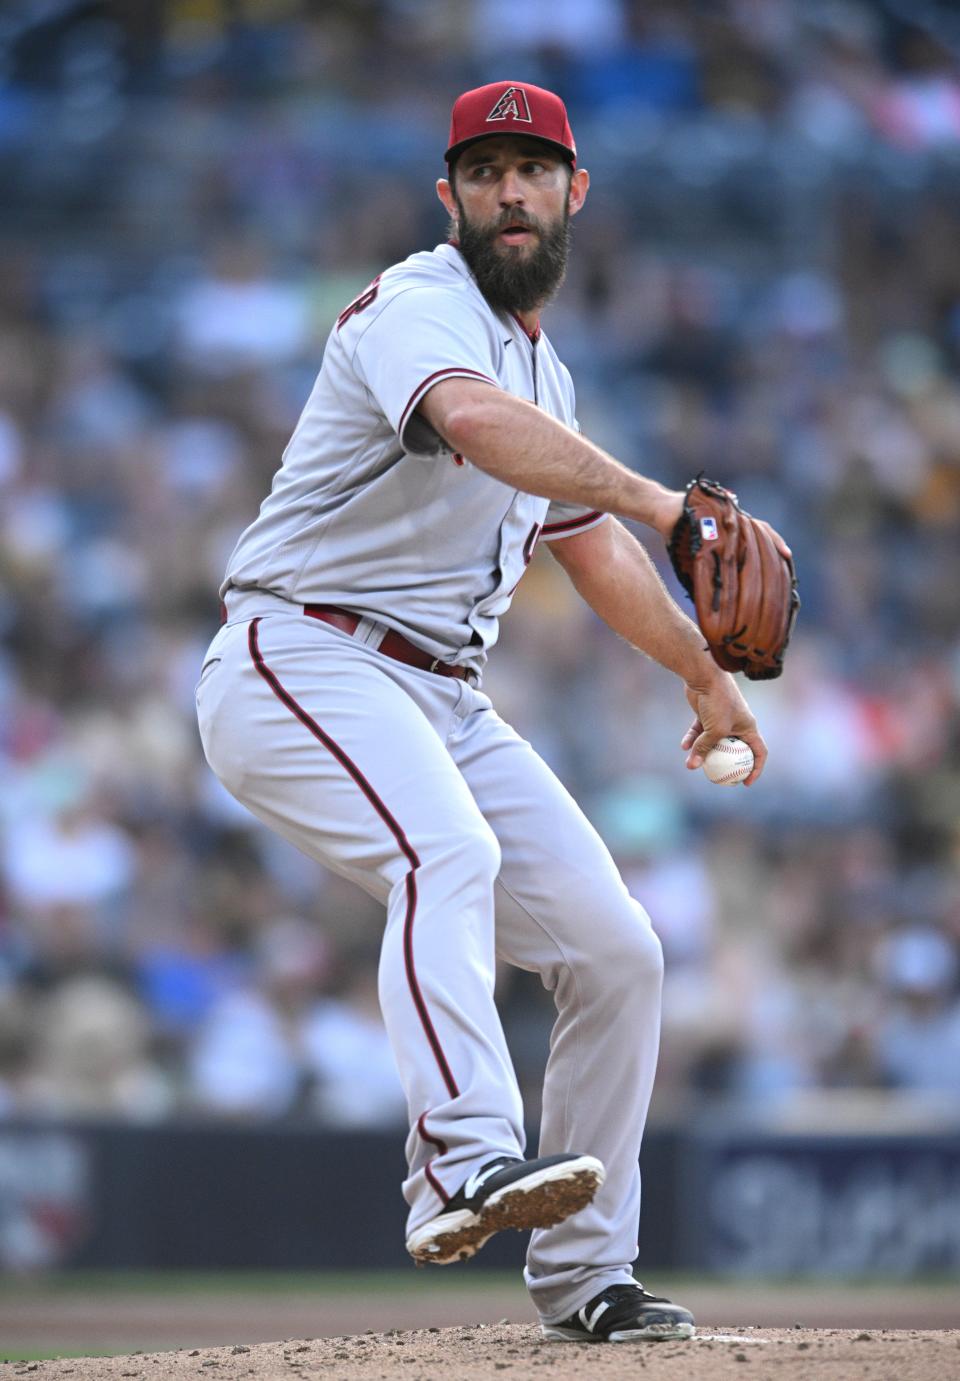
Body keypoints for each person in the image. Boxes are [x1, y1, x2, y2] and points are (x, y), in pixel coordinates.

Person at [196, 80, 772, 1344]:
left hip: (439, 693)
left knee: (618, 951)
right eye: (484, 168)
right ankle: (463, 1158)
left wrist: (698, 668)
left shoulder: (544, 373)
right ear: (447, 195)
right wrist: (668, 502)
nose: (509, 189)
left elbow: (588, 546)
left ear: (577, 193)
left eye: (533, 167)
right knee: (446, 851)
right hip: (305, 652)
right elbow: (470, 426)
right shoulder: (419, 308)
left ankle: (586, 1278)